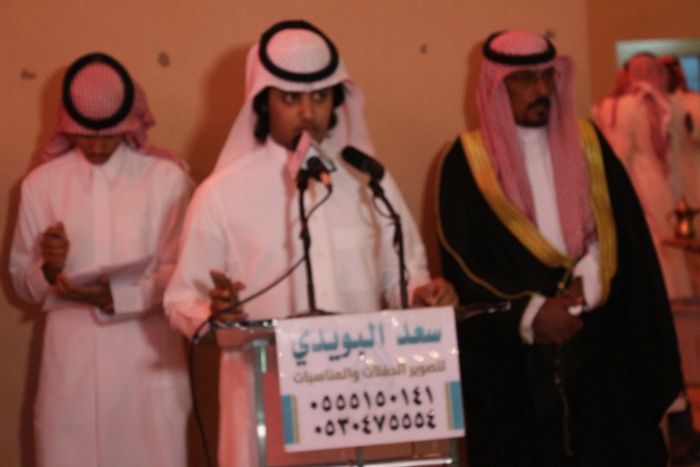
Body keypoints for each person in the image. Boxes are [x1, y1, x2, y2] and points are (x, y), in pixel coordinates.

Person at [164, 20, 456, 467]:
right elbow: (181, 298)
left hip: (361, 408)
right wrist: (215, 316)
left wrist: (423, 295)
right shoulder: (220, 194)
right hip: (265, 410)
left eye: (320, 97)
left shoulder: (369, 182)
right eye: (290, 98)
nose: (307, 113)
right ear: (263, 102)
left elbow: (404, 278)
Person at [436, 30, 683, 466]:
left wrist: (593, 276)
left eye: (547, 76)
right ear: (496, 86)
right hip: (518, 360)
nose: (541, 89)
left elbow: (626, 234)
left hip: (598, 343)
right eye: (524, 79)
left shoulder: (590, 145)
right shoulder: (466, 161)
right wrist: (532, 312)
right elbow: (462, 261)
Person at [9, 53, 192, 467]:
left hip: (147, 363)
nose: (94, 146)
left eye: (107, 135)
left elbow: (182, 274)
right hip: (71, 370)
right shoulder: (41, 185)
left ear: (129, 124)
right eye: (83, 135)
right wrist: (49, 268)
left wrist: (118, 297)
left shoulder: (166, 180)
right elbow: (22, 280)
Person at [592, 53, 694, 299]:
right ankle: (678, 289)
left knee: (649, 234)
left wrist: (614, 185)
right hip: (671, 178)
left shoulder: (625, 105)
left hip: (640, 176)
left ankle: (658, 291)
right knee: (670, 232)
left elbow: (622, 152)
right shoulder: (672, 103)